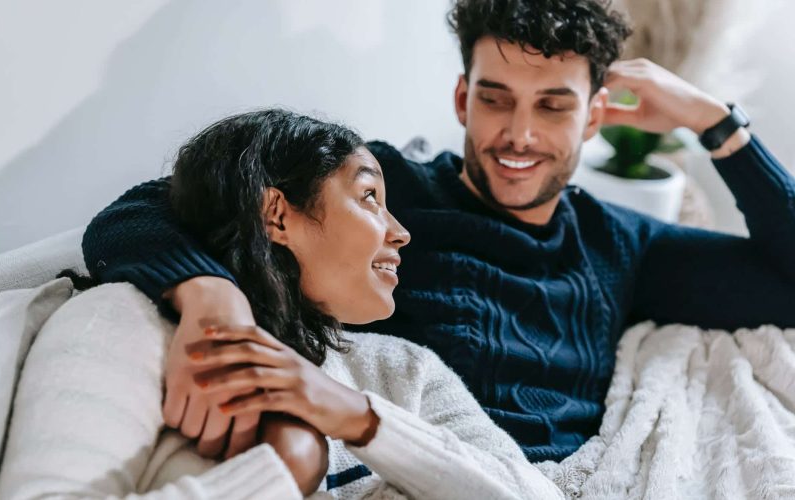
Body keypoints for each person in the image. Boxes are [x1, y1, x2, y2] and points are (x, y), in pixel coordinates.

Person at [81, 0, 795, 466]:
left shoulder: (622, 244)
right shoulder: (388, 193)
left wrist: (717, 123)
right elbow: (140, 212)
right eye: (494, 99)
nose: (518, 134)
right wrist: (213, 298)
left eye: (552, 106)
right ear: (462, 99)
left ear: (594, 117)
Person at [0, 109, 562, 499]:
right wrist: (286, 466)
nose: (400, 232)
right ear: (277, 215)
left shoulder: (402, 371)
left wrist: (357, 418)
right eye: (369, 197)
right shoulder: (123, 326)